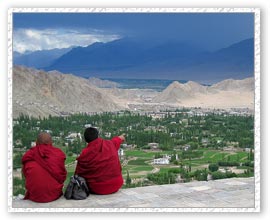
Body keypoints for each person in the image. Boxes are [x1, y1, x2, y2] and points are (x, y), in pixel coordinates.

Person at [75, 127, 125, 195]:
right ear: (97, 136)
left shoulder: (85, 153)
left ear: (85, 139)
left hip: (97, 188)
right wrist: (121, 138)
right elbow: (116, 141)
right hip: (116, 185)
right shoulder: (109, 144)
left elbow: (78, 174)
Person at [22, 132, 67, 203]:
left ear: (36, 142)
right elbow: (62, 176)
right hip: (54, 194)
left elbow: (25, 174)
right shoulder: (57, 154)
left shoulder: (30, 154)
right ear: (51, 142)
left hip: (34, 195)